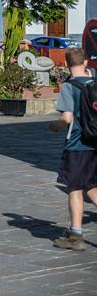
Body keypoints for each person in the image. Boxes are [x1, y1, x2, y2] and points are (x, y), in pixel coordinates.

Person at [48, 47, 97, 250]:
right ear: (86, 62)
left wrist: (55, 126)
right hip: (96, 142)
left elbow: (67, 118)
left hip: (77, 144)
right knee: (92, 186)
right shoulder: (95, 84)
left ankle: (75, 236)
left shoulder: (69, 87)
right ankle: (74, 234)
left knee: (75, 187)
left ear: (67, 65)